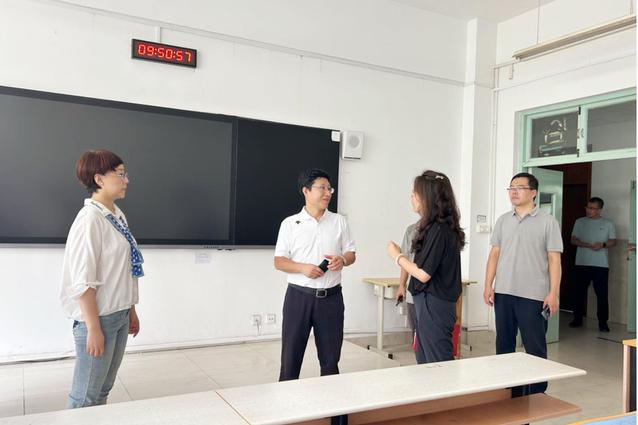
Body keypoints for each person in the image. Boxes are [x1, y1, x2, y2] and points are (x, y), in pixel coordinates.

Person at [60, 150, 144, 408]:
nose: (126, 180)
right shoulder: (90, 220)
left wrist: (131, 310)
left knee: (103, 389)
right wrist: (93, 329)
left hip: (119, 315)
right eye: (120, 174)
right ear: (99, 179)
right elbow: (83, 281)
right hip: (100, 320)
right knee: (85, 396)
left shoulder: (116, 215)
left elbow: (124, 269)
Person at [484, 172, 562, 395]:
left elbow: (554, 260)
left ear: (533, 192)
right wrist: (489, 285)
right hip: (504, 292)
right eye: (511, 188)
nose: (514, 192)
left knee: (534, 346)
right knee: (504, 344)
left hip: (533, 295)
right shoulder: (503, 220)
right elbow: (494, 254)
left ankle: (537, 393)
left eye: (519, 187)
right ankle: (509, 389)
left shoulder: (548, 222)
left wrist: (553, 293)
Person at [274, 169, 356, 381]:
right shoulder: (290, 224)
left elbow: (351, 253)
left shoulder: (339, 221)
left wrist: (343, 259)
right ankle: (286, 400)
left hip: (331, 299)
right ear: (306, 191)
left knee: (330, 361)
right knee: (290, 360)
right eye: (322, 188)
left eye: (329, 188)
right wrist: (302, 268)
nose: (328, 193)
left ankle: (331, 402)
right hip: (298, 298)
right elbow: (279, 261)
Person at [387, 170, 464, 364]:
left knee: (437, 363)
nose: (412, 197)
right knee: (424, 361)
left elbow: (423, 274)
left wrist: (397, 256)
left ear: (427, 197)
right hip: (427, 302)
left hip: (435, 304)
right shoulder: (432, 227)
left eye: (415, 193)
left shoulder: (439, 229)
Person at [569, 197, 616, 332]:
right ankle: (577, 319)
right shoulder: (579, 222)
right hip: (581, 263)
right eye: (588, 207)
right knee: (578, 293)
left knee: (602, 295)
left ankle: (603, 323)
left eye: (592, 208)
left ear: (600, 210)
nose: (589, 210)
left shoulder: (608, 224)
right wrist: (586, 245)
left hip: (601, 265)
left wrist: (603, 245)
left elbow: (613, 241)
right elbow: (573, 240)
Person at [396, 221, 418, 341]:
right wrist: (402, 285)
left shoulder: (439, 230)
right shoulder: (411, 230)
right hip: (412, 294)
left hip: (431, 296)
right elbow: (405, 260)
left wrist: (396, 255)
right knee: (415, 333)